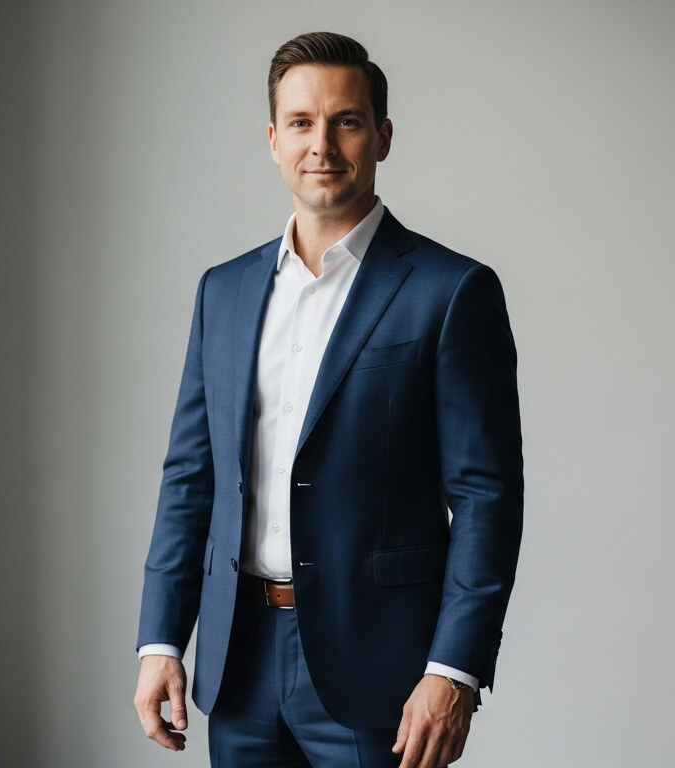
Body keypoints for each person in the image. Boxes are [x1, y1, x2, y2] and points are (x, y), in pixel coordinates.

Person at [133, 31, 524, 768]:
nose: (323, 145)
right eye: (302, 123)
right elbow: (190, 477)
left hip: (382, 669)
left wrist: (454, 670)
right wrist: (160, 639)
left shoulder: (451, 291)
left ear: (382, 136)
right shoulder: (225, 291)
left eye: (346, 121)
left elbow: (486, 498)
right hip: (238, 663)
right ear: (274, 140)